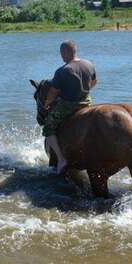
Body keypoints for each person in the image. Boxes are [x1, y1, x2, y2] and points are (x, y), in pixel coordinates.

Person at [43, 40, 97, 175]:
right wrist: (83, 90)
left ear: (65, 52)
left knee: (48, 127)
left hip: (69, 104)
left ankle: (61, 159)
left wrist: (47, 104)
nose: (61, 56)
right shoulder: (88, 64)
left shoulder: (62, 70)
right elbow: (94, 82)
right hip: (87, 101)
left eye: (61, 53)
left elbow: (53, 92)